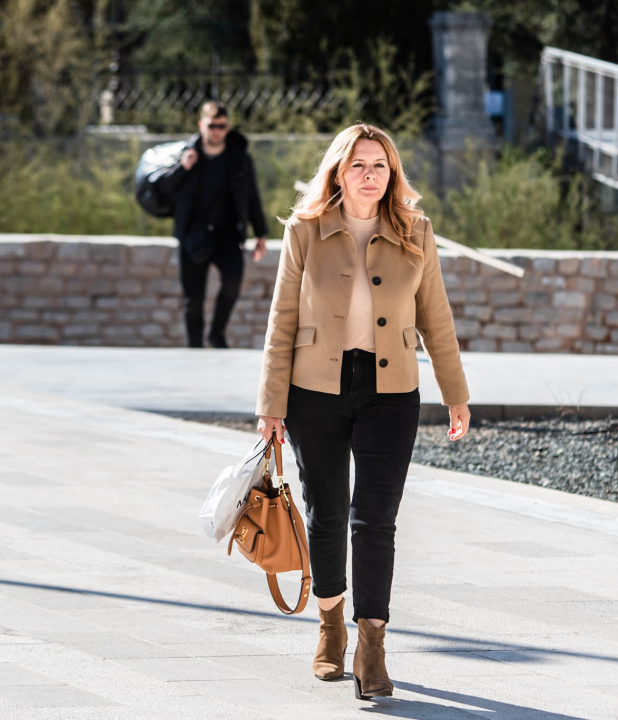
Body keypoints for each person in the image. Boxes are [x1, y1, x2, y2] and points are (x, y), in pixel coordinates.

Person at [254, 123, 470, 700]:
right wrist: (270, 405)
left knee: (375, 518)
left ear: (391, 173)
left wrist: (456, 393)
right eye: (358, 165)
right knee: (326, 513)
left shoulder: (415, 230)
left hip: (391, 392)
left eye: (380, 165)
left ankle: (371, 644)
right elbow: (281, 322)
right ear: (338, 171)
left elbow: (437, 318)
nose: (370, 175)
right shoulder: (304, 231)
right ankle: (329, 628)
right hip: (313, 390)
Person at [156, 101, 269, 348]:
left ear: (227, 127)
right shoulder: (185, 154)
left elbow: (251, 196)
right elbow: (163, 188)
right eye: (211, 126)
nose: (216, 131)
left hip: (227, 234)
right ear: (201, 125)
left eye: (221, 126)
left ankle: (216, 333)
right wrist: (182, 167)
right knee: (193, 300)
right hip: (193, 234)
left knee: (232, 282)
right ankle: (195, 347)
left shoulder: (239, 158)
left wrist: (260, 233)